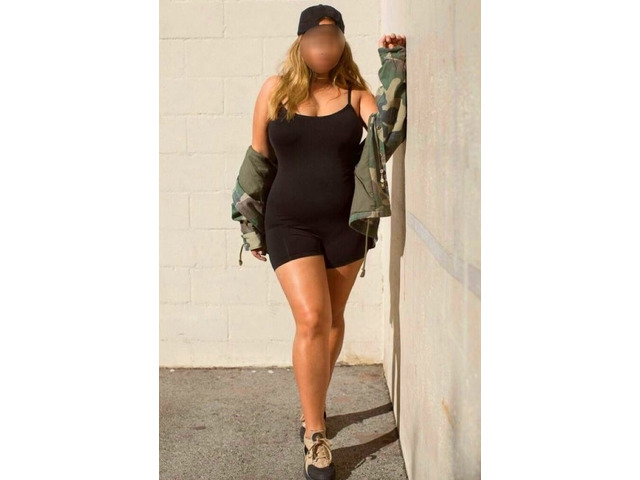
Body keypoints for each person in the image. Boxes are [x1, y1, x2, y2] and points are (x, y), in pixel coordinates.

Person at [245, 5, 406, 479]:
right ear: (301, 43)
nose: (325, 47)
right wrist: (249, 220)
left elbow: (389, 133)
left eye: (333, 39)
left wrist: (393, 65)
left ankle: (312, 404)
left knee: (333, 321)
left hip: (345, 224)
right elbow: (258, 157)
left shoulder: (356, 96)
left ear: (342, 43)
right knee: (313, 318)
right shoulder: (275, 90)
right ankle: (315, 434)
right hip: (288, 221)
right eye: (316, 39)